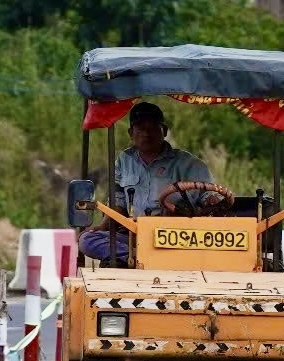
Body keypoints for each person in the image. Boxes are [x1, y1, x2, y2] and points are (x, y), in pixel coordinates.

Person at [79, 101, 215, 267]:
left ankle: (148, 259)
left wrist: (210, 201)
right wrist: (104, 226)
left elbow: (209, 195)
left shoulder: (189, 164)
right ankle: (139, 257)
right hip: (134, 235)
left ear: (163, 131)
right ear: (131, 132)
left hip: (176, 238)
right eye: (140, 128)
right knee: (87, 240)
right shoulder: (124, 161)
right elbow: (118, 199)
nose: (146, 133)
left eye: (152, 128)